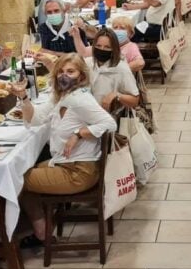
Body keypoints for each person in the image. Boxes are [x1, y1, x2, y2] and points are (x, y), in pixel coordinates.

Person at [12, 54, 117, 247]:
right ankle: (42, 225)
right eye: (60, 71)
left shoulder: (80, 100)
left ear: (81, 76)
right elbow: (35, 119)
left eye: (70, 71)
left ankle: (40, 232)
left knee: (15, 179)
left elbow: (110, 124)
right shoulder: (62, 96)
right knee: (20, 172)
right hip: (65, 162)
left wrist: (78, 133)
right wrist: (23, 97)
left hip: (79, 171)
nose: (64, 76)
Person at [85, 28, 140, 112]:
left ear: (113, 49)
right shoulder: (87, 64)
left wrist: (117, 96)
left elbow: (135, 100)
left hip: (110, 116)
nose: (102, 49)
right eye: (98, 46)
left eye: (107, 47)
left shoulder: (121, 68)